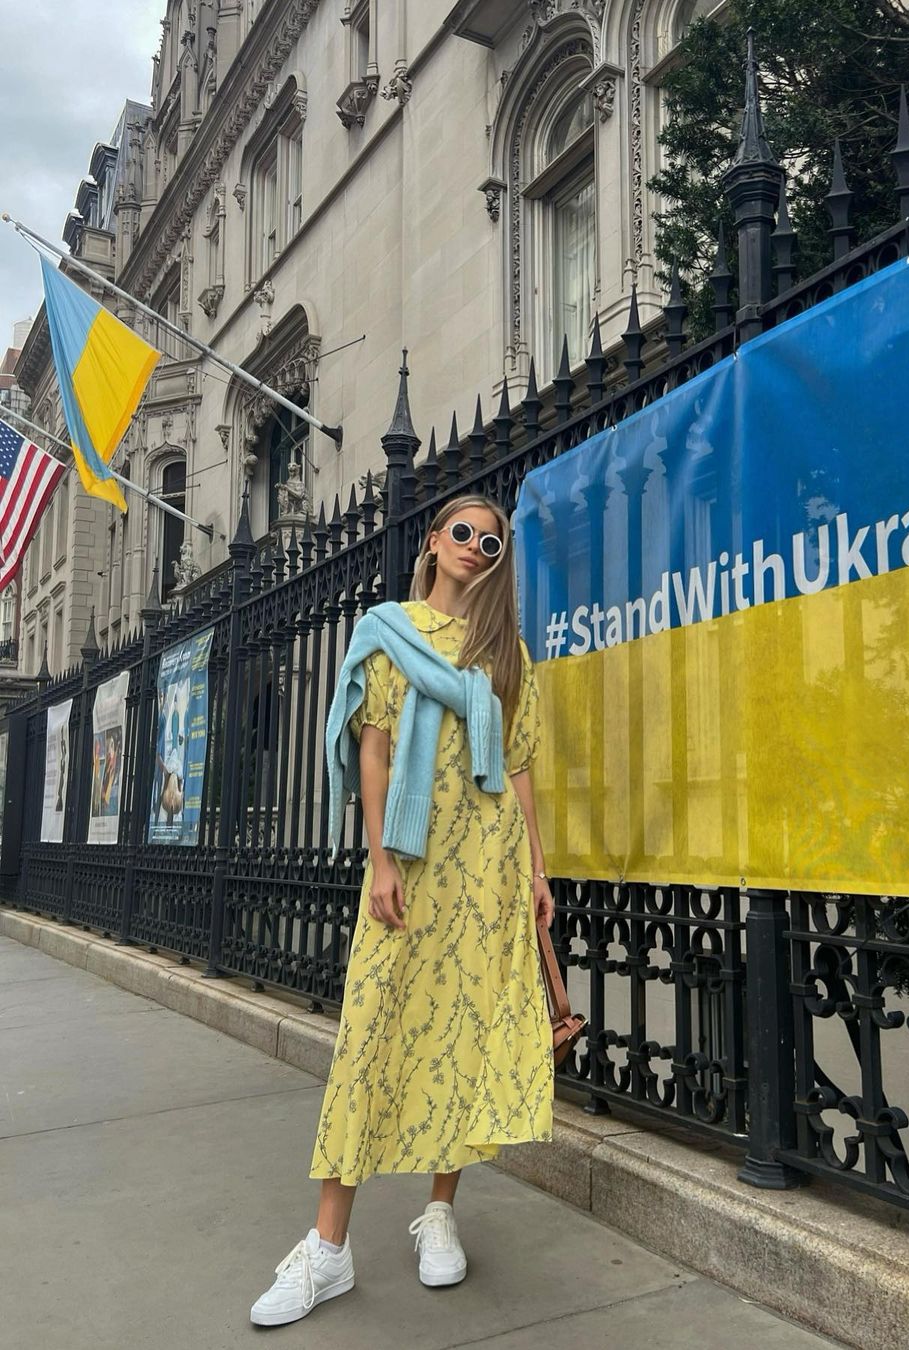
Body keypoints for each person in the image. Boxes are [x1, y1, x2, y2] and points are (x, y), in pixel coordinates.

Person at [251, 495, 555, 1327]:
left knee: (464, 1027)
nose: (474, 547)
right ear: (432, 540)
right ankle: (328, 1248)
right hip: (412, 860)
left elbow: (519, 766)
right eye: (463, 532)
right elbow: (374, 750)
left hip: (487, 865)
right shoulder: (386, 630)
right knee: (370, 1032)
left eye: (490, 542)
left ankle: (441, 1211)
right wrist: (381, 857)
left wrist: (537, 868)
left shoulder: (507, 653)